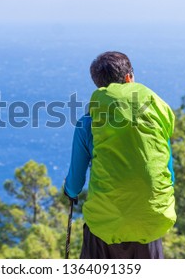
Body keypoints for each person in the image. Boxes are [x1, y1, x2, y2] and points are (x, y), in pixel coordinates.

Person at [64, 51, 176, 259]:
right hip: (150, 224)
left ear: (99, 86)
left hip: (103, 227)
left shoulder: (88, 123)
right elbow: (170, 174)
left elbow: (75, 183)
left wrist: (70, 192)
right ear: (129, 78)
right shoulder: (156, 119)